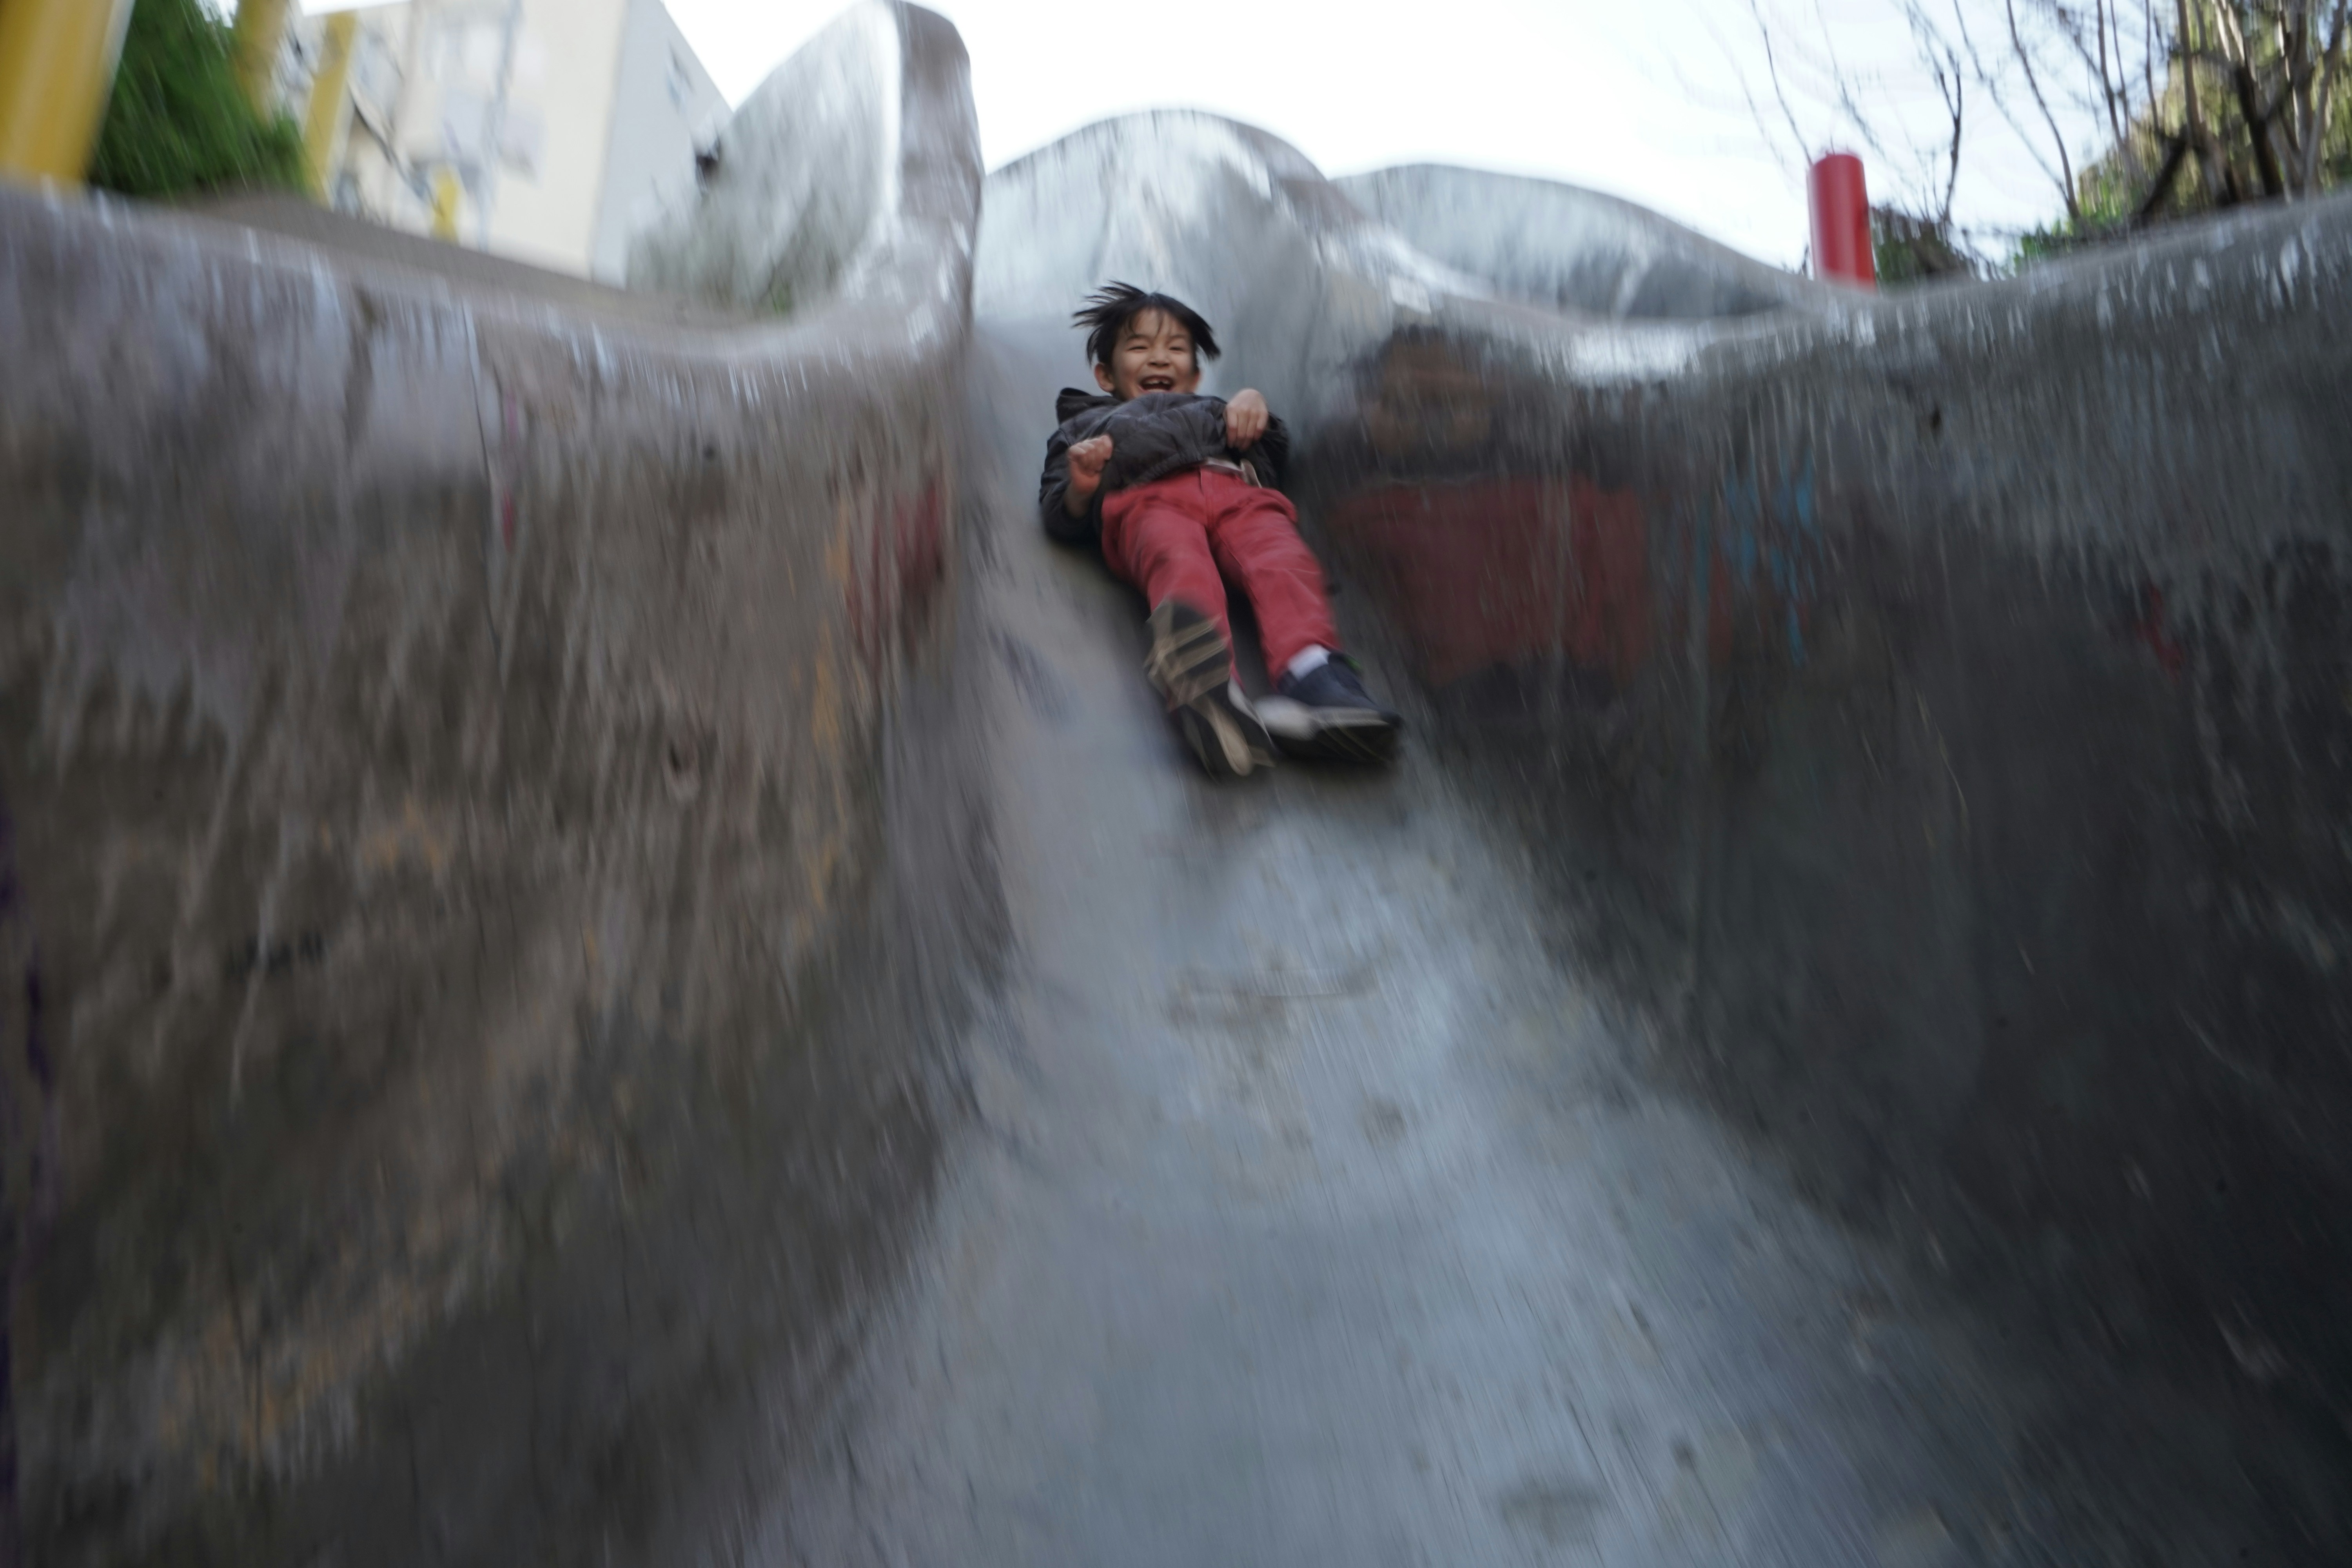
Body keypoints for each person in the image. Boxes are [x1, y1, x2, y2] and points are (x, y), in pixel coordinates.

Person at [1038, 282, 1403, 779]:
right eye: (1140, 348)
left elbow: (1273, 462)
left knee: (1284, 561)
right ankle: (1208, 688)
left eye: (1175, 349)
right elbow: (1061, 513)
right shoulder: (1084, 428)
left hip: (1240, 494)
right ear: (1106, 374)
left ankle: (1318, 679)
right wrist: (1083, 483)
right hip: (1149, 499)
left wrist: (1256, 413)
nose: (1159, 359)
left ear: (1195, 373)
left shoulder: (1215, 409)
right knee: (1179, 562)